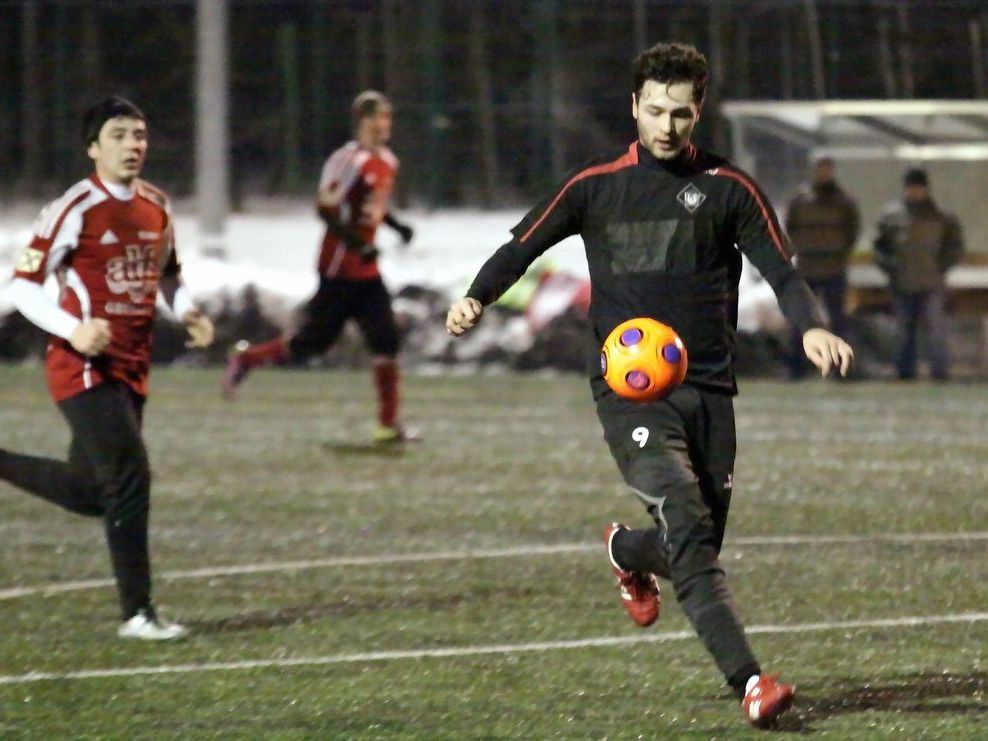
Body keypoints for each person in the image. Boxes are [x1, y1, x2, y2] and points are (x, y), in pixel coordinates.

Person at [446, 43, 854, 728]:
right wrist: (476, 297)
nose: (668, 126)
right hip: (630, 392)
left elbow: (782, 272)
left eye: (683, 113)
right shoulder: (594, 187)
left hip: (711, 390)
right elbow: (522, 244)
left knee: (697, 547)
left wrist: (809, 325)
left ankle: (626, 550)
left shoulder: (730, 189)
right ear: (634, 106)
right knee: (691, 532)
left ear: (700, 112)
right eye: (656, 110)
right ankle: (752, 681)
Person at [0, 96, 214, 640]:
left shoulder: (156, 207)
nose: (133, 145)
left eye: (139, 135)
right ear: (93, 147)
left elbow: (167, 275)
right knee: (130, 477)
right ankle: (138, 614)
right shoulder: (73, 208)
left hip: (131, 369)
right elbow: (22, 287)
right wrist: (71, 329)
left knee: (92, 491)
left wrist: (187, 310)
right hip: (82, 365)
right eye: (118, 135)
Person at [222, 90, 415, 442]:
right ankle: (247, 359)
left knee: (386, 340)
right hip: (339, 269)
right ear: (361, 123)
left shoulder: (388, 161)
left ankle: (387, 425)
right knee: (312, 344)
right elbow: (325, 209)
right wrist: (358, 244)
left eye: (387, 119)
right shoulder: (347, 160)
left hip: (367, 272)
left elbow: (373, 205)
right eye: (377, 119)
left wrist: (396, 225)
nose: (384, 126)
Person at [874, 168, 964, 380]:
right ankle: (905, 373)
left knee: (936, 330)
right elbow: (880, 247)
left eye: (918, 187)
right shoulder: (891, 216)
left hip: (932, 282)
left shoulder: (942, 216)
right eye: (911, 187)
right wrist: (891, 268)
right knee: (904, 331)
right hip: (902, 282)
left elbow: (954, 246)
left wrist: (941, 267)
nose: (915, 192)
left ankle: (939, 372)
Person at [785, 157, 859, 379]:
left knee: (838, 321)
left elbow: (852, 231)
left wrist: (838, 252)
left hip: (834, 268)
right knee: (803, 320)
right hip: (807, 267)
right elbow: (791, 227)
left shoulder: (844, 202)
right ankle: (797, 368)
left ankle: (840, 368)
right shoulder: (801, 201)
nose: (823, 174)